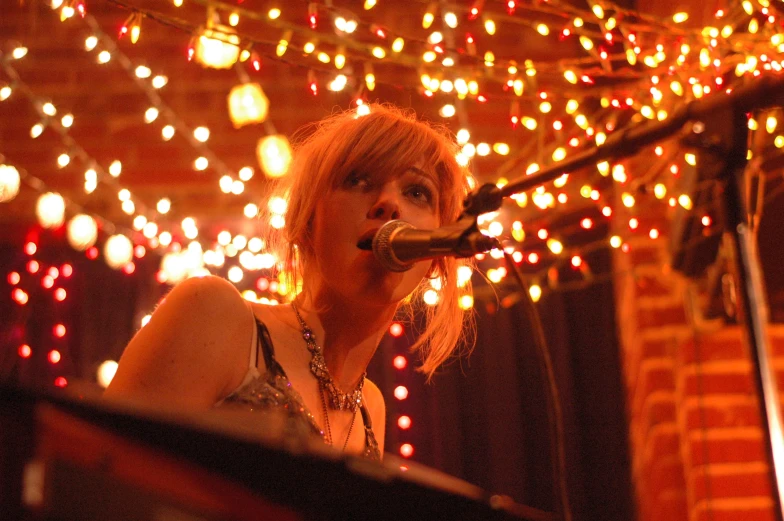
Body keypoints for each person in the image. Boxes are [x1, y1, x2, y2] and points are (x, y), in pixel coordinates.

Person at [104, 104, 475, 461]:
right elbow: (95, 482)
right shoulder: (214, 315)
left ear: (436, 259)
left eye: (416, 192)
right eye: (358, 179)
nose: (389, 203)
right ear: (305, 224)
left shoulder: (370, 408)